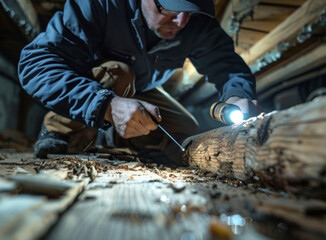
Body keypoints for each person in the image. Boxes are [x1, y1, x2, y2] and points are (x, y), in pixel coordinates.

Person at [18, 0, 263, 164]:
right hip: (96, 89)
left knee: (186, 130)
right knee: (119, 73)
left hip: (140, 91)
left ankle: (119, 138)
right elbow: (35, 63)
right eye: (170, 9)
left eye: (189, 11)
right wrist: (107, 106)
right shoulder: (100, 5)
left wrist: (236, 96)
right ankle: (60, 132)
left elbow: (229, 68)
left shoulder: (197, 25)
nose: (181, 22)